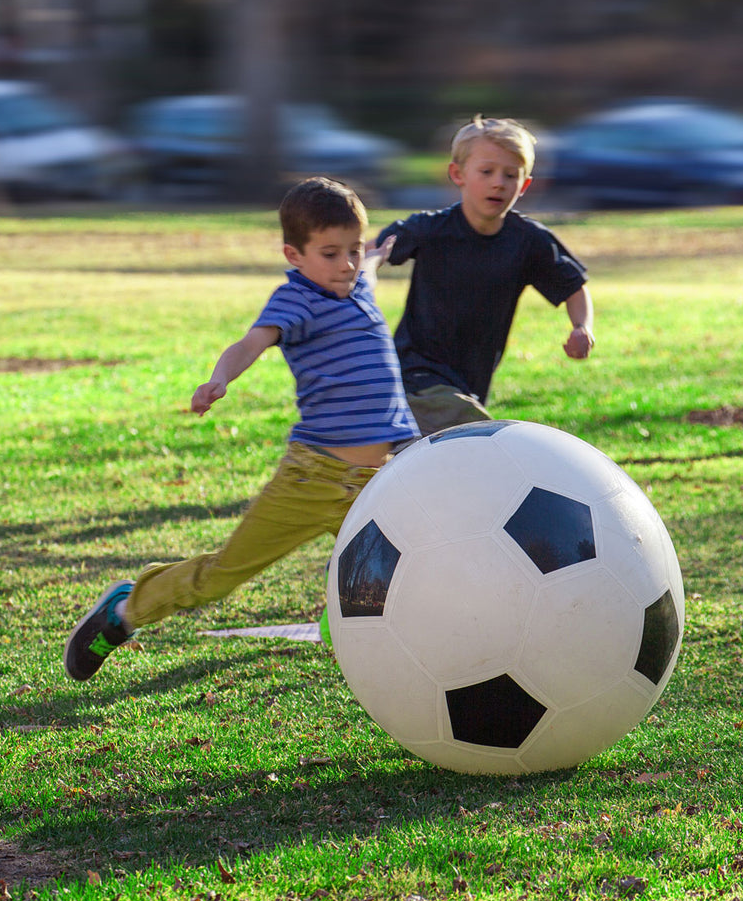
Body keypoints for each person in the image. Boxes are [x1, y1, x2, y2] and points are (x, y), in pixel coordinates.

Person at [64, 176, 419, 682]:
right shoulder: (296, 300)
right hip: (312, 479)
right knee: (220, 578)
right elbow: (250, 344)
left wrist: (378, 254)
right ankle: (125, 611)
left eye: (352, 249)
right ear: (294, 255)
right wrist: (219, 379)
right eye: (329, 253)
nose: (344, 264)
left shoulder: (355, 281)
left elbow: (367, 268)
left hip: (373, 483)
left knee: (412, 568)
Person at [373, 115, 594, 435]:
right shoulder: (430, 228)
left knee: (437, 457)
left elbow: (574, 287)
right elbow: (372, 251)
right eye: (487, 171)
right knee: (481, 441)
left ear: (525, 185)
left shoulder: (529, 241)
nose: (498, 183)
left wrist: (581, 328)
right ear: (457, 174)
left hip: (469, 384)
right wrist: (356, 274)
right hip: (414, 373)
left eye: (510, 175)